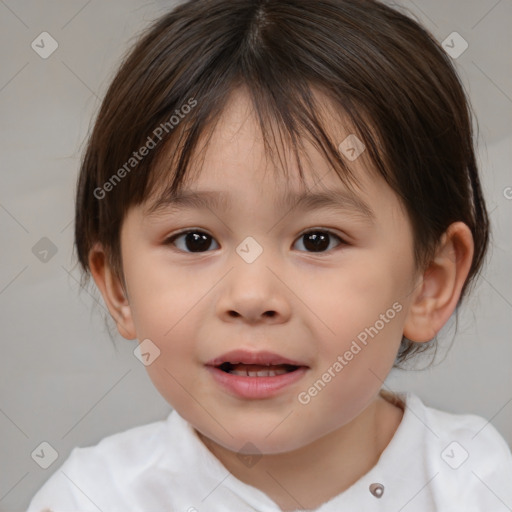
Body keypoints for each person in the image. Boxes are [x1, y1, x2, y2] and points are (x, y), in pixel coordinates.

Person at [28, 0, 512, 510]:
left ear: (428, 283)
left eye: (318, 240)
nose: (252, 297)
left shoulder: (482, 488)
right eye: (195, 240)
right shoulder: (92, 500)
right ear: (119, 286)